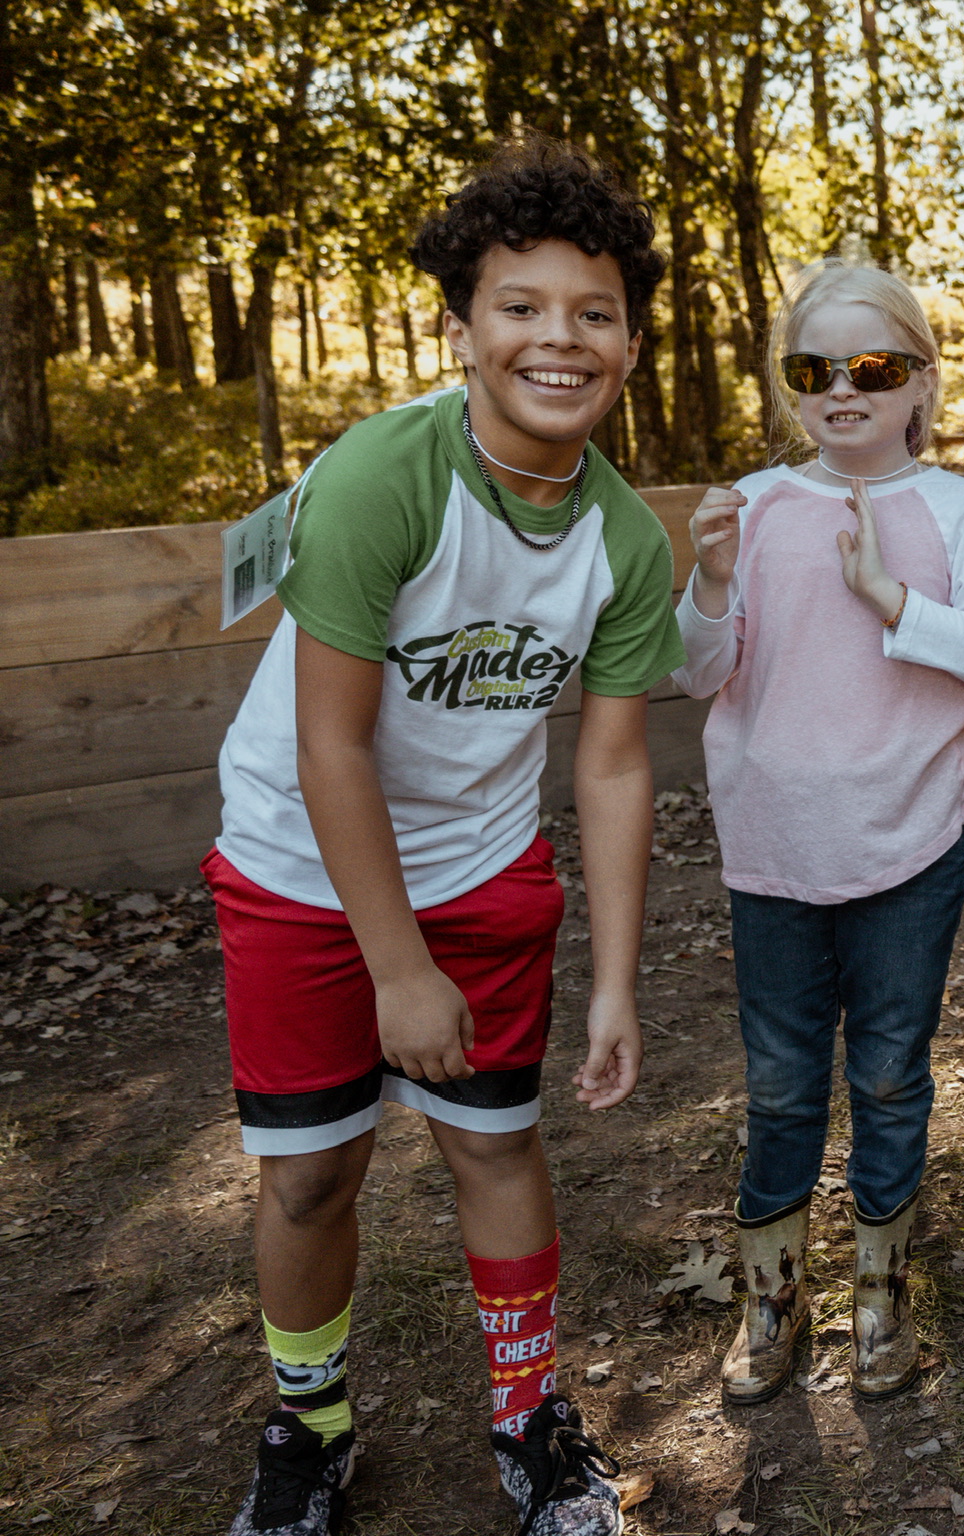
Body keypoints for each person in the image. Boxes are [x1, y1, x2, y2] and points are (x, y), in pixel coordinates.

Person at [208, 137, 683, 1536]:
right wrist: (396, 967)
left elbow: (608, 764)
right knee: (309, 1173)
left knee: (493, 1142)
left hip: (481, 865)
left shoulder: (624, 543)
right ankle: (311, 1429)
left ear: (632, 345)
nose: (558, 338)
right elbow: (329, 742)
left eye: (592, 313)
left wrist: (613, 981)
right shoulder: (379, 479)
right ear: (464, 327)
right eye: (521, 306)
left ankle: (531, 1421)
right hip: (303, 862)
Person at [672, 261, 964, 1405]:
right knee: (782, 1085)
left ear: (921, 378)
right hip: (773, 849)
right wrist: (713, 578)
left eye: (871, 369)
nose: (842, 392)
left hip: (909, 844)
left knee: (886, 1074)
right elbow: (699, 673)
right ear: (789, 387)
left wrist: (892, 600)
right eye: (811, 370)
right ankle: (771, 1296)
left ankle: (883, 1289)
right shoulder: (757, 503)